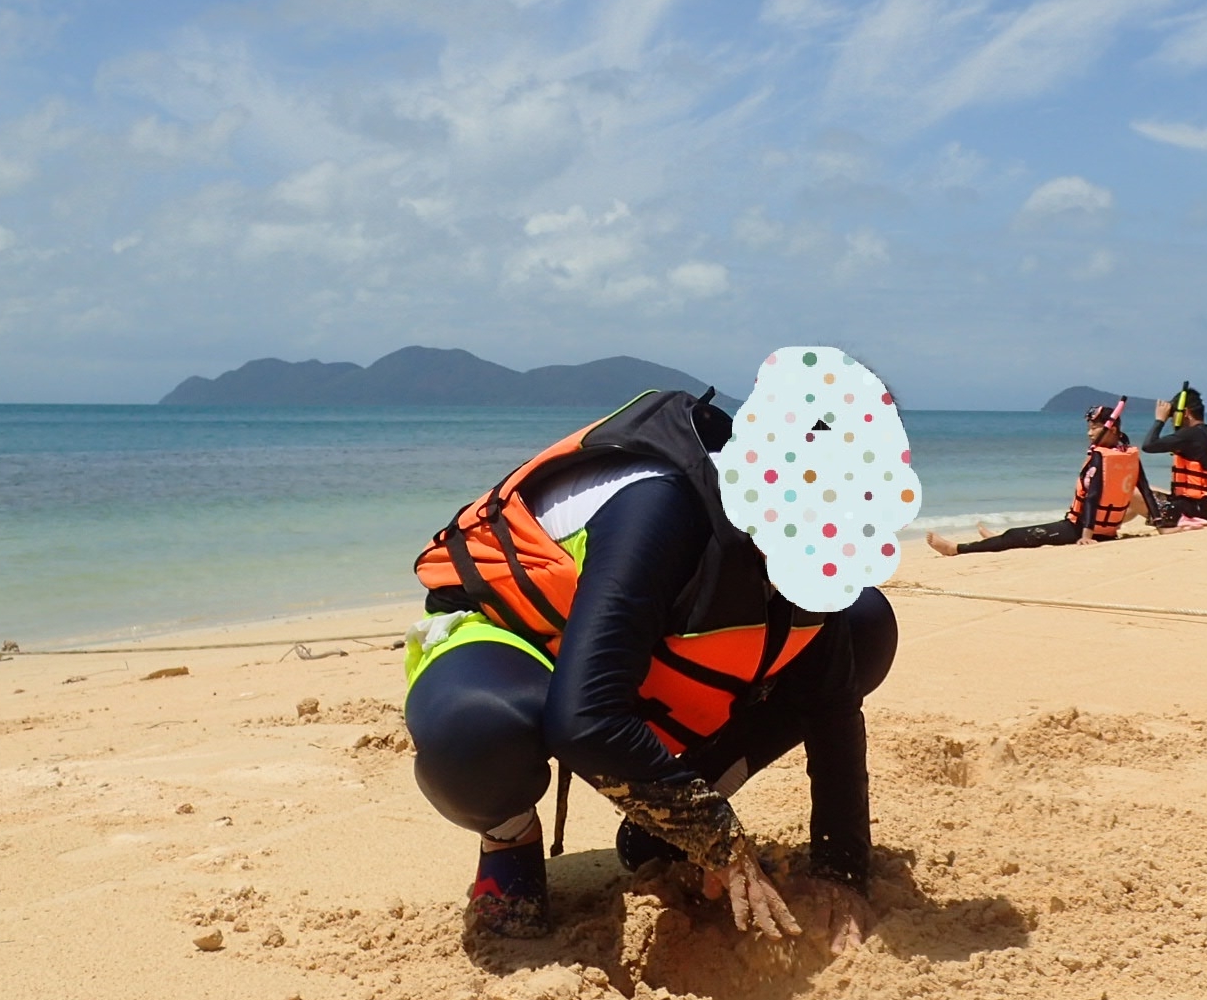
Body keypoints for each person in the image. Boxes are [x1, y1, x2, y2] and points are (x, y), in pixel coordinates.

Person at [402, 358, 912, 956]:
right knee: (477, 735)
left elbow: (831, 706)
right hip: (515, 649)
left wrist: (841, 869)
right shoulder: (659, 505)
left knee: (865, 625)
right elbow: (584, 720)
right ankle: (508, 835)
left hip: (636, 667)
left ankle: (658, 829)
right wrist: (722, 842)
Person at [925, 402, 1143, 555]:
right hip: (1105, 531)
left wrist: (1086, 535)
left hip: (1079, 530)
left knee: (1017, 535)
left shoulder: (1100, 457)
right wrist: (1162, 525)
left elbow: (1093, 497)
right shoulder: (1126, 455)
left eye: (1094, 428)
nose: (1089, 434)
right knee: (1019, 536)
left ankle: (956, 549)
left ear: (1110, 429)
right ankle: (994, 539)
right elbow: (1144, 490)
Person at [1137, 385, 1207, 531]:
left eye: (1172, 416)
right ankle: (1109, 528)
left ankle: (1164, 527)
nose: (1171, 421)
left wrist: (1159, 420)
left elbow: (1148, 446)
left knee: (1130, 490)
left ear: (1185, 413)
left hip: (1186, 512)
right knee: (1145, 488)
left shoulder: (1190, 435)